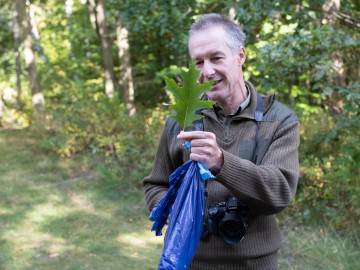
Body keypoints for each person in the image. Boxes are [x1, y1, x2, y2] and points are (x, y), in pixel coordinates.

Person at [143, 13, 300, 270]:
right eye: (198, 62)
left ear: (240, 56)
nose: (207, 71)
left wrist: (221, 162)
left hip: (254, 264)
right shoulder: (181, 120)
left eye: (216, 58)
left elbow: (279, 192)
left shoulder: (279, 120)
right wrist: (170, 210)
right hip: (188, 261)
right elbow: (155, 184)